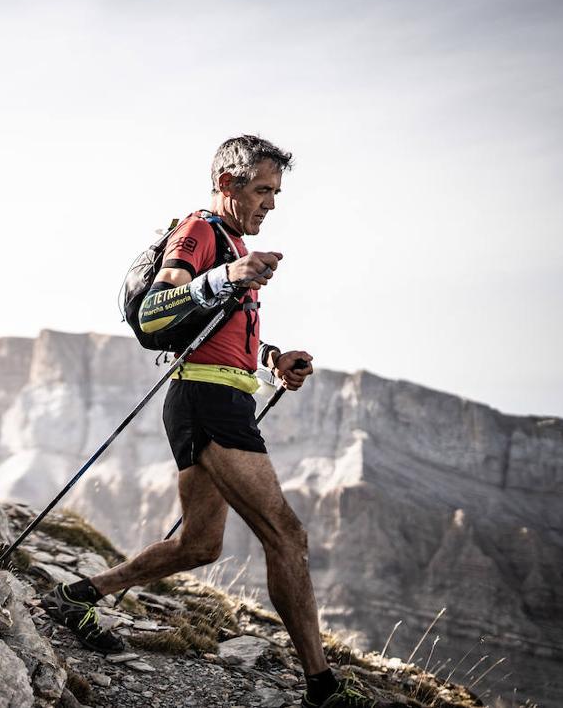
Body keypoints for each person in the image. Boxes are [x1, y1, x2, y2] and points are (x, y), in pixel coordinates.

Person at [42, 136, 387, 707]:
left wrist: (273, 358)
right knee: (288, 535)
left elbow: (218, 331)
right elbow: (158, 307)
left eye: (276, 193)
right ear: (228, 184)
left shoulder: (229, 242)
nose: (271, 204)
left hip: (217, 394)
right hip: (207, 401)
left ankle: (78, 594)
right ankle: (323, 688)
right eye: (262, 190)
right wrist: (231, 277)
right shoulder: (200, 230)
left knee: (199, 546)